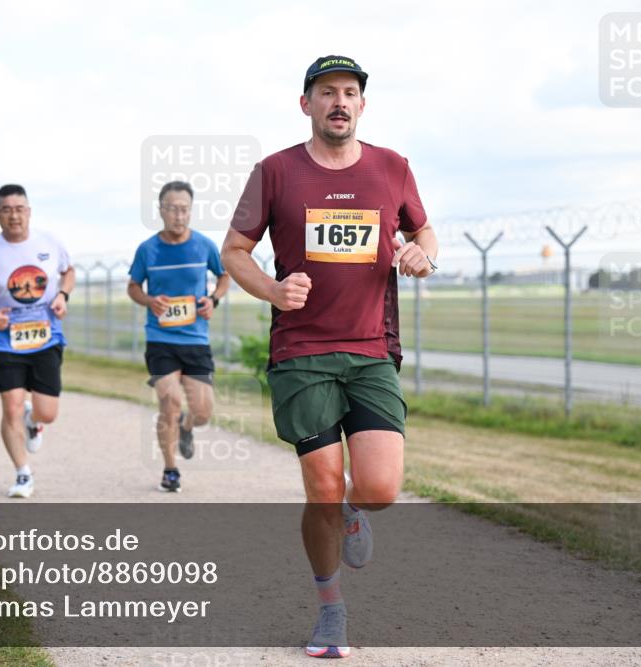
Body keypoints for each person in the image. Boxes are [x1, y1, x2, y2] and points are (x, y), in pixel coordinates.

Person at [221, 55, 439, 658]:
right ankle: (330, 611)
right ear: (306, 103)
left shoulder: (393, 168)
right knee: (321, 486)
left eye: (349, 93)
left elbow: (424, 231)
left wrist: (424, 253)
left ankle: (352, 510)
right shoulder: (275, 171)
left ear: (362, 105)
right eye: (326, 92)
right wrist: (272, 289)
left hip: (372, 350)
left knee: (379, 489)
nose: (338, 101)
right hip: (301, 351)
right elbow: (235, 249)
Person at [0, 184, 74, 499]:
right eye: (7, 209)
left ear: (29, 212)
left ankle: (34, 421)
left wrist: (63, 296)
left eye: (19, 208)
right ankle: (22, 473)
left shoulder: (49, 243)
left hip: (46, 338)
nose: (14, 215)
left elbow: (68, 272)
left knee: (47, 412)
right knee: (10, 406)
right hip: (5, 341)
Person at [127, 180, 230, 493]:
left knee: (202, 413)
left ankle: (187, 428)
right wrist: (148, 300)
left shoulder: (204, 246)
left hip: (196, 340)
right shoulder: (148, 250)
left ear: (190, 210)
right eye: (172, 209)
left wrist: (213, 299)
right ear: (161, 210)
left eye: (184, 209)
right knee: (169, 401)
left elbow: (224, 276)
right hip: (160, 339)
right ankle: (170, 469)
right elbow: (133, 287)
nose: (178, 215)